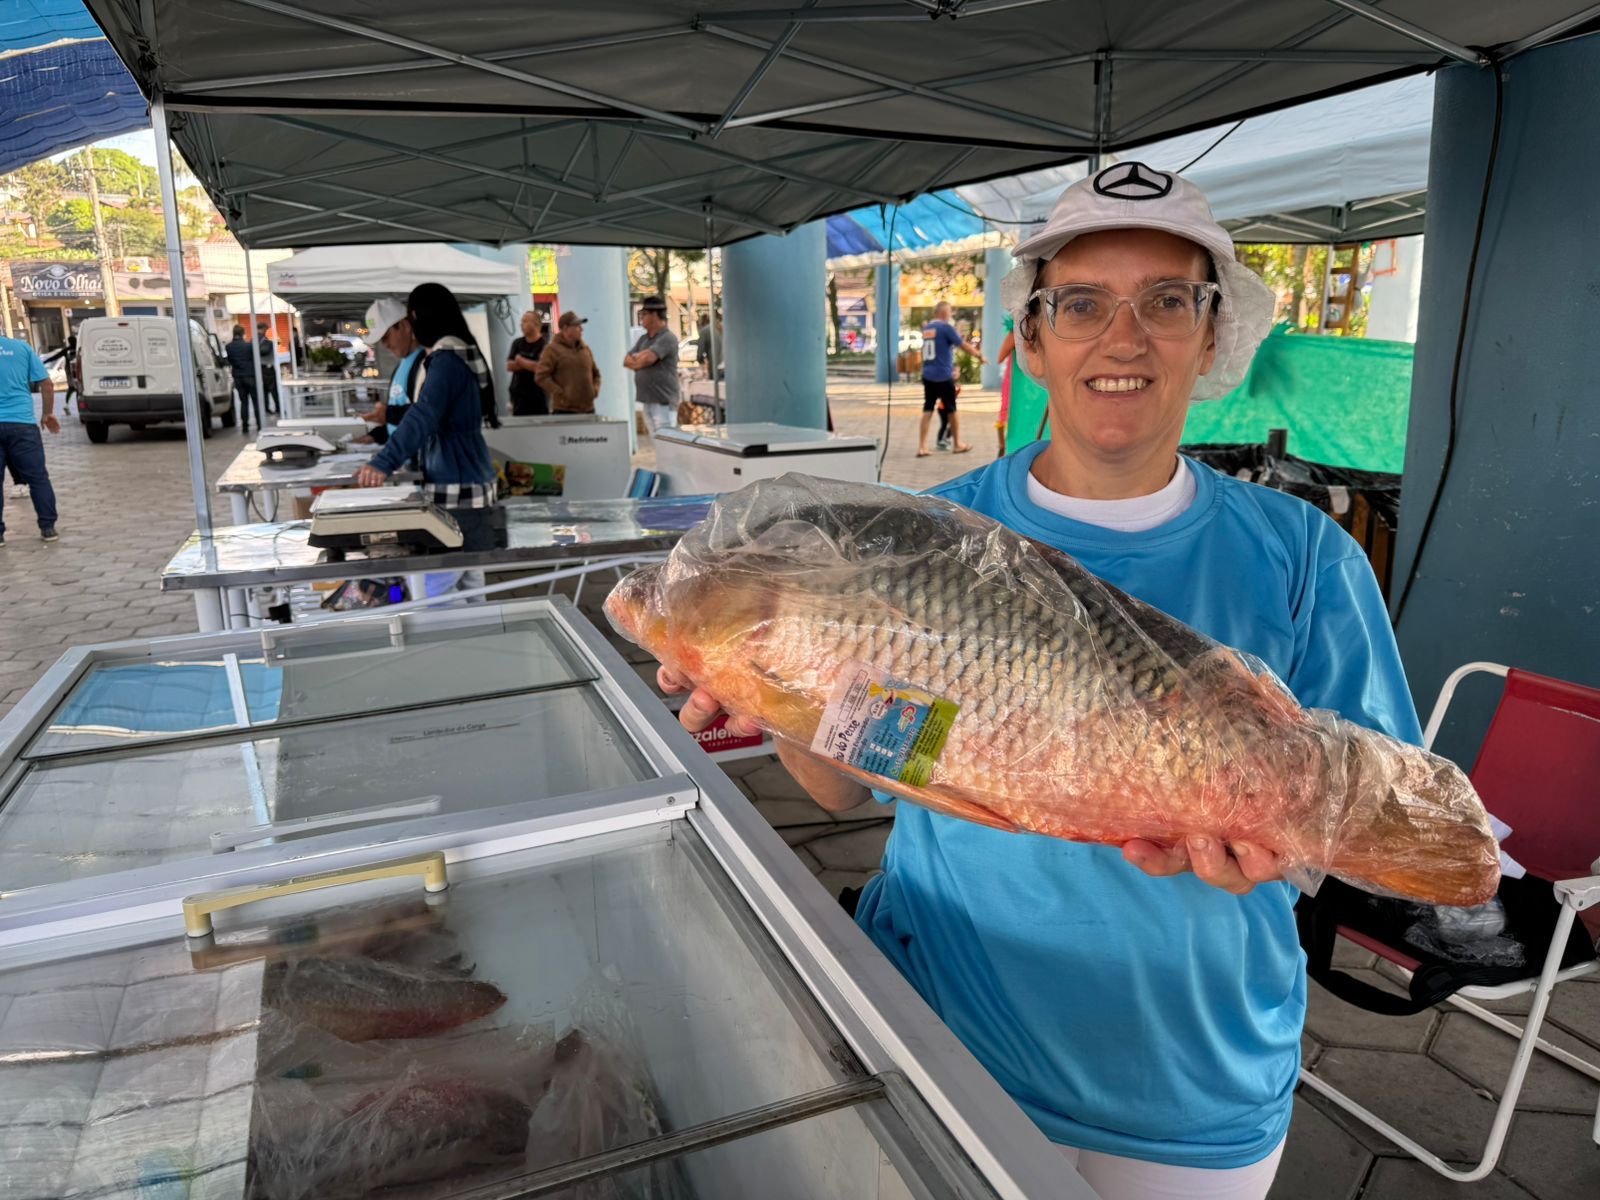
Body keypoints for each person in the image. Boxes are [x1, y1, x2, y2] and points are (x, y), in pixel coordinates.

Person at [660, 162, 1420, 1199]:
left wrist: (1279, 849)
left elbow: (1372, 808)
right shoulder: (913, 536)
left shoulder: (1303, 556)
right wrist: (771, 688)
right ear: (1029, 338)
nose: (1124, 337)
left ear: (1213, 337)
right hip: (944, 1035)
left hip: (1195, 1077)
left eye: (1167, 302)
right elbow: (848, 784)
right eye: (1082, 304)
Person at [0, 333, 61, 545]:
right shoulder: (22, 348)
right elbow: (46, 383)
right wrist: (47, 413)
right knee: (37, 478)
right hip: (22, 424)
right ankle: (48, 528)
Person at [917, 301, 984, 457]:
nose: (951, 314)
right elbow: (963, 345)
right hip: (943, 375)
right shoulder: (945, 328)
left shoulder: (928, 328)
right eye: (949, 311)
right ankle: (958, 444)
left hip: (928, 374)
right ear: (943, 312)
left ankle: (922, 447)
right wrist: (979, 355)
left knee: (928, 409)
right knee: (952, 410)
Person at [355, 298, 424, 446]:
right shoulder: (402, 364)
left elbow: (429, 413)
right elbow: (397, 418)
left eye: (386, 336)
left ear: (404, 326)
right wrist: (376, 436)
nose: (385, 344)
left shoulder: (425, 364)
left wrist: (388, 414)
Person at [624, 295, 680, 434]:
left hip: (663, 401)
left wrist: (638, 358)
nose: (641, 317)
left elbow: (649, 359)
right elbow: (626, 360)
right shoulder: (644, 339)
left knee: (666, 440)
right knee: (655, 440)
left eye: (644, 314)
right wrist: (640, 359)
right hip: (648, 400)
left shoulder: (667, 337)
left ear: (654, 315)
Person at [534, 311, 601, 414]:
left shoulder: (585, 350)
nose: (581, 329)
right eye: (577, 326)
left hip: (588, 410)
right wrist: (560, 393)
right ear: (566, 329)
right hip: (564, 411)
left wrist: (594, 390)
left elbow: (596, 374)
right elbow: (541, 377)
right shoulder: (552, 350)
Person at [507, 310, 549, 416]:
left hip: (538, 397)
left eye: (525, 321)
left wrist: (520, 361)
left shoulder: (545, 346)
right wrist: (530, 364)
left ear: (536, 324)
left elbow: (539, 367)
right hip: (519, 397)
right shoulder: (517, 343)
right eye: (522, 321)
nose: (521, 324)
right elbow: (510, 366)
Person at [223, 325, 261, 434]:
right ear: (243, 333)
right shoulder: (249, 346)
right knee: (255, 401)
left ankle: (245, 426)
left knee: (243, 402)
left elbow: (230, 360)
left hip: (238, 377)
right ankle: (259, 424)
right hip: (250, 376)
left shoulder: (229, 347)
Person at [995, 315, 1016, 459]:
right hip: (1037, 384)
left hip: (1018, 383)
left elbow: (1000, 357)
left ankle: (1003, 449)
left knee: (1007, 411)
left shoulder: (1018, 329)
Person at [41, 335, 77, 414]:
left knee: (72, 388)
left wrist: (45, 362)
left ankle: (67, 405)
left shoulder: (67, 350)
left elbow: (55, 356)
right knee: (77, 389)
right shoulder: (79, 348)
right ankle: (71, 406)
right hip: (78, 370)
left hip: (69, 372)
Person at [255, 323, 281, 416]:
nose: (266, 331)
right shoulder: (261, 340)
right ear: (261, 329)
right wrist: (272, 344)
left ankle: (270, 408)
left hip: (263, 368)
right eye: (265, 330)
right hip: (266, 368)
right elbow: (263, 350)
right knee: (271, 390)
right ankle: (277, 408)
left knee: (265, 390)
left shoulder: (257, 340)